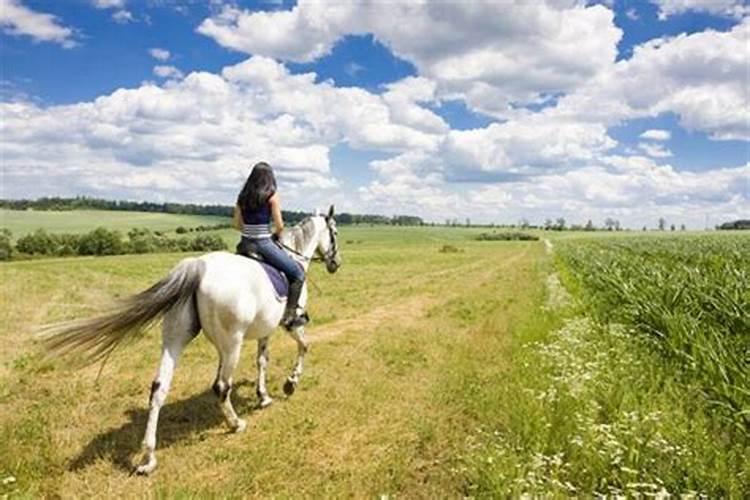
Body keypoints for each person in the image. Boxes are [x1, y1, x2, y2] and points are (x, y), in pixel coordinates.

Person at [233, 162, 307, 330]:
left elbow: (236, 224)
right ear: (269, 178)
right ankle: (290, 316)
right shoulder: (271, 196)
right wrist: (274, 234)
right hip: (263, 244)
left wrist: (249, 231)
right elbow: (280, 225)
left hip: (244, 245)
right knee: (297, 274)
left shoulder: (242, 197)